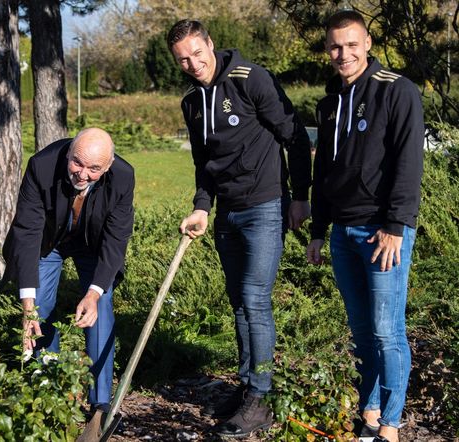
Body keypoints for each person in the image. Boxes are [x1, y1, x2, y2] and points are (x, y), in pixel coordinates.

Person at [167, 19, 312, 437]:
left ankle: (261, 398)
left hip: (265, 205)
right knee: (238, 303)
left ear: (210, 44)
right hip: (226, 213)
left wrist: (299, 195)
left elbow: (295, 136)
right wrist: (201, 207)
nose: (193, 64)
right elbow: (203, 164)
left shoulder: (251, 80)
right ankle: (249, 387)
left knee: (254, 298)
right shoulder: (191, 103)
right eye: (183, 60)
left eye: (197, 53)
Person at [306, 10, 424, 442]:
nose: (344, 53)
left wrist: (396, 224)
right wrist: (319, 230)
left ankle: (391, 423)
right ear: (327, 49)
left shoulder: (398, 91)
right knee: (361, 331)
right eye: (336, 46)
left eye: (352, 44)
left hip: (383, 233)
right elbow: (326, 175)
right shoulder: (329, 102)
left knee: (386, 330)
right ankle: (370, 414)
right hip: (343, 233)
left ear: (368, 42)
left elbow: (409, 165)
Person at [2, 128, 134, 413]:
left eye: (94, 168)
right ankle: (49, 391)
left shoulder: (123, 176)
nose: (83, 174)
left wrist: (94, 293)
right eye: (77, 163)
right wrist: (27, 306)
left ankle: (100, 402)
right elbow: (27, 231)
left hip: (93, 243)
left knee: (100, 305)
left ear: (108, 166)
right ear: (69, 153)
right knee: (38, 307)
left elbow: (116, 239)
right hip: (49, 241)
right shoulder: (42, 165)